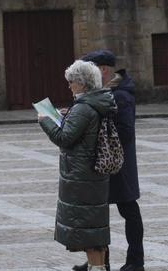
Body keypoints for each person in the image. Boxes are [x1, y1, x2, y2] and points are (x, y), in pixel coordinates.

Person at [38, 60, 116, 271]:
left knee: (89, 233)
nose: (69, 85)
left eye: (71, 81)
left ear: (82, 83)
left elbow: (64, 138)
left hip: (82, 178)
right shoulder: (94, 103)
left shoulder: (84, 107)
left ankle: (97, 268)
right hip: (91, 176)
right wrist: (66, 116)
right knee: (93, 231)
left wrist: (45, 119)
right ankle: (97, 267)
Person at [77, 50, 144, 271]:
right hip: (104, 162)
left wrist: (98, 135)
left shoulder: (121, 95)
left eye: (90, 70)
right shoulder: (102, 92)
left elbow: (126, 132)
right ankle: (98, 260)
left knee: (128, 210)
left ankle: (135, 261)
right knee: (98, 213)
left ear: (103, 70)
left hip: (118, 162)